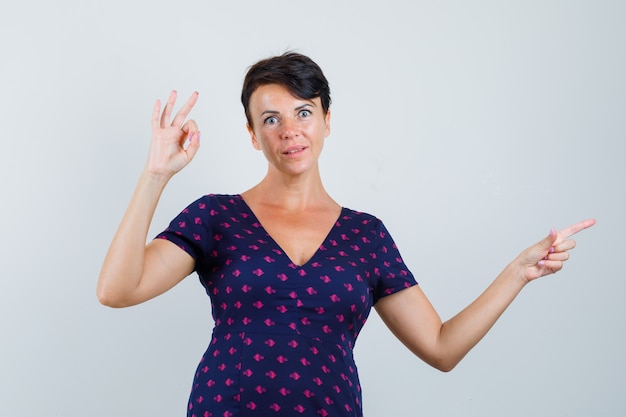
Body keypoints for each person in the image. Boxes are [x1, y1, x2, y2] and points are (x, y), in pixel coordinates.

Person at [97, 52, 595, 417]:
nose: (289, 130)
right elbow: (117, 290)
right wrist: (156, 174)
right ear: (252, 134)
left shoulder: (366, 235)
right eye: (271, 119)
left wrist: (517, 274)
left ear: (327, 121)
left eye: (303, 112)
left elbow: (441, 348)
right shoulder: (215, 216)